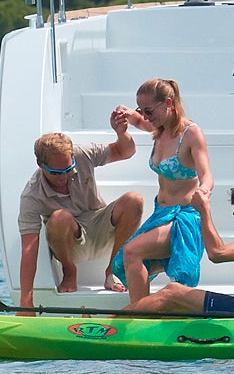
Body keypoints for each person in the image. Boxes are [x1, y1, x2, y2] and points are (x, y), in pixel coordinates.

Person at [15, 112, 144, 309]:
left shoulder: (83, 154)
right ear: (41, 165)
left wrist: (122, 133)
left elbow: (125, 151)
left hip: (101, 227)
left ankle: (114, 271)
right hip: (69, 243)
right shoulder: (31, 195)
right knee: (59, 218)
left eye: (69, 169)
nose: (64, 177)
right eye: (57, 173)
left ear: (73, 157)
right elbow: (29, 249)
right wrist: (26, 303)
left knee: (134, 200)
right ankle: (69, 272)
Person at [130, 177, 234, 318]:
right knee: (180, 303)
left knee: (171, 292)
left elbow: (217, 253)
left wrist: (203, 210)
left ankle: (109, 326)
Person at [110, 78, 213, 301]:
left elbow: (207, 176)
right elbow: (139, 121)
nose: (145, 115)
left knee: (132, 252)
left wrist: (203, 191)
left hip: (183, 217)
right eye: (141, 109)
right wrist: (125, 114)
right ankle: (147, 310)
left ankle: (140, 315)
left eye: (148, 110)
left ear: (168, 103)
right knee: (125, 261)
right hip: (161, 214)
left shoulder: (191, 134)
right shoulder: (159, 127)